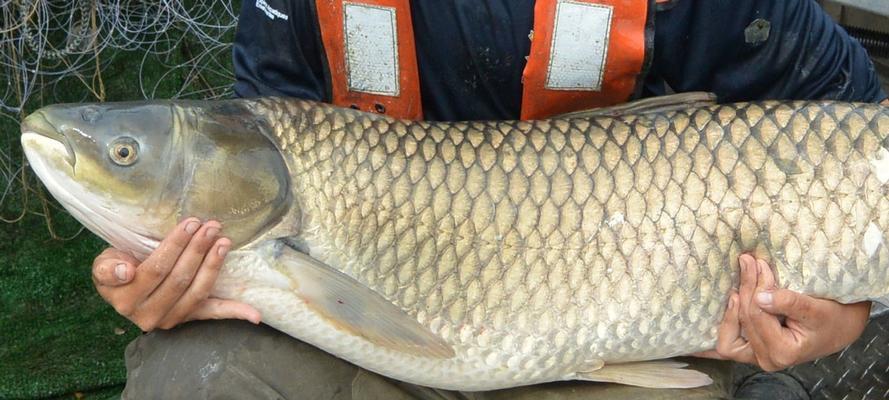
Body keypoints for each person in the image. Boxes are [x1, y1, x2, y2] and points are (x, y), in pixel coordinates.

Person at [92, 0, 889, 398]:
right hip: (356, 332)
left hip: (640, 340)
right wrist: (175, 276)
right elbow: (249, 149)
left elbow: (851, 145)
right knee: (197, 377)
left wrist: (845, 314)